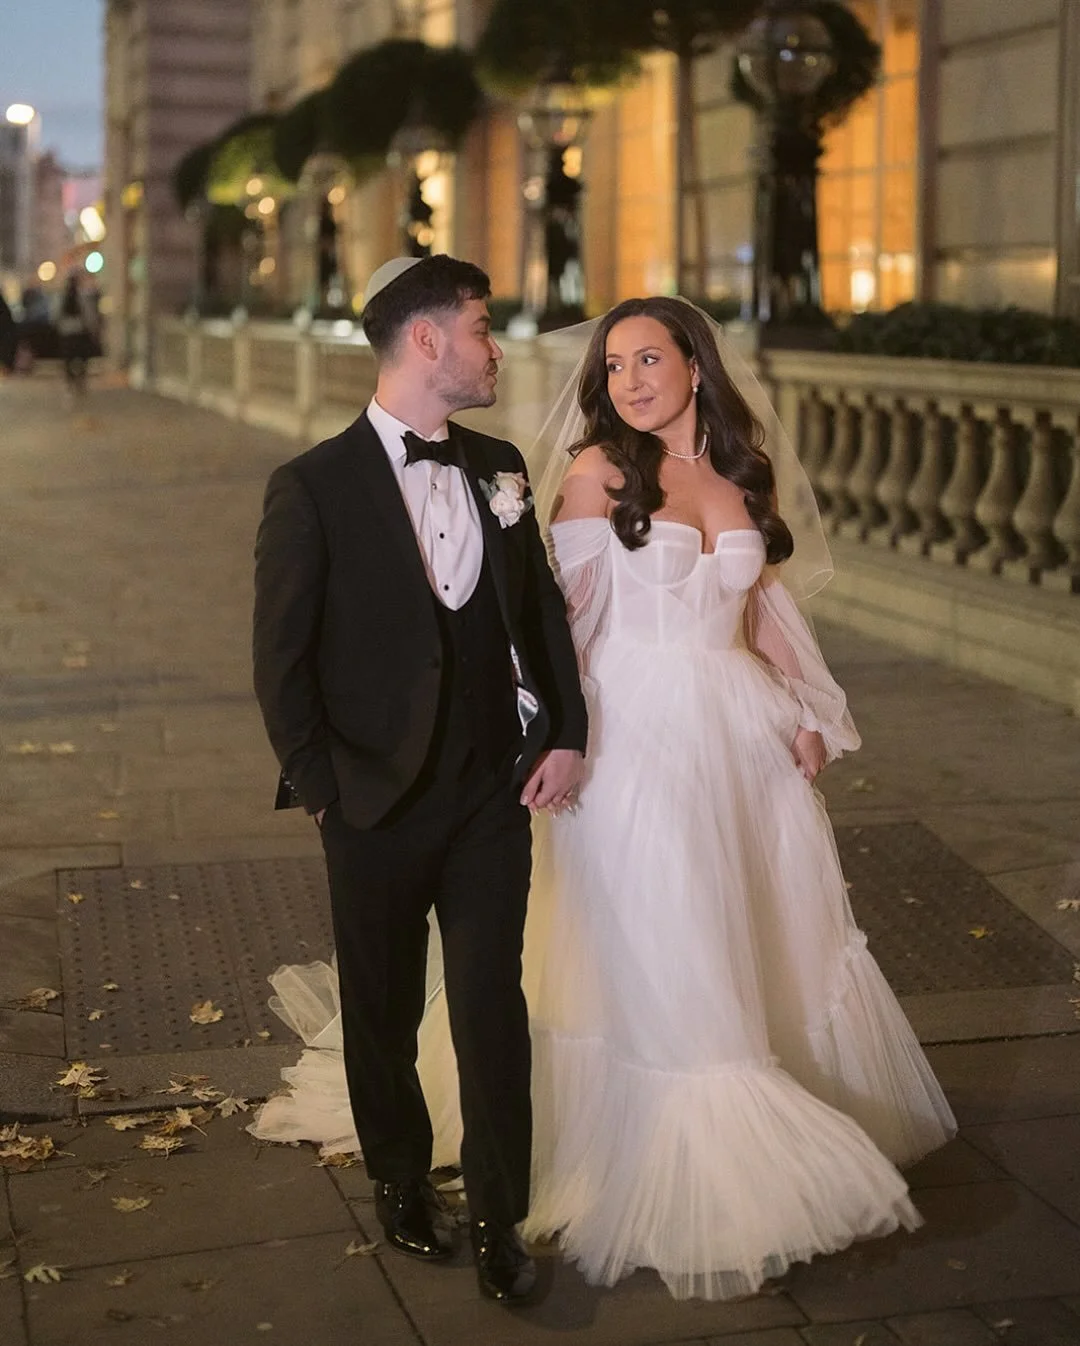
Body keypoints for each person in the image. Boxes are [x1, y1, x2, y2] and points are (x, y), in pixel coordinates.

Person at [251, 293, 957, 1302]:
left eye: (646, 359)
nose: (628, 380)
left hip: (738, 740)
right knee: (660, 951)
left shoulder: (735, 474)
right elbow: (555, 624)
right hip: (636, 739)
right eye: (614, 365)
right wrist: (554, 736)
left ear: (697, 367)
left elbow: (761, 609)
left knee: (745, 936)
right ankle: (687, 1161)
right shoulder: (594, 472)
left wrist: (804, 708)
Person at [251, 254, 587, 1306]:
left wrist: (565, 732)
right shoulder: (311, 485)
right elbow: (280, 658)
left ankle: (498, 1220)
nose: (496, 346)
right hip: (372, 801)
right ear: (430, 341)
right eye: (483, 327)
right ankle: (400, 1181)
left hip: (493, 790)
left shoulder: (501, 466)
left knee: (492, 1002)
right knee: (384, 1005)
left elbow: (541, 620)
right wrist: (323, 789)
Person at [56, 272, 98, 396]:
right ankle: (79, 381)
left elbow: (56, 315)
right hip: (78, 332)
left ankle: (71, 382)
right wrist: (92, 329)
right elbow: (89, 315)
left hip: (67, 332)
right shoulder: (81, 297)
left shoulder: (63, 298)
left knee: (69, 360)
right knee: (81, 359)